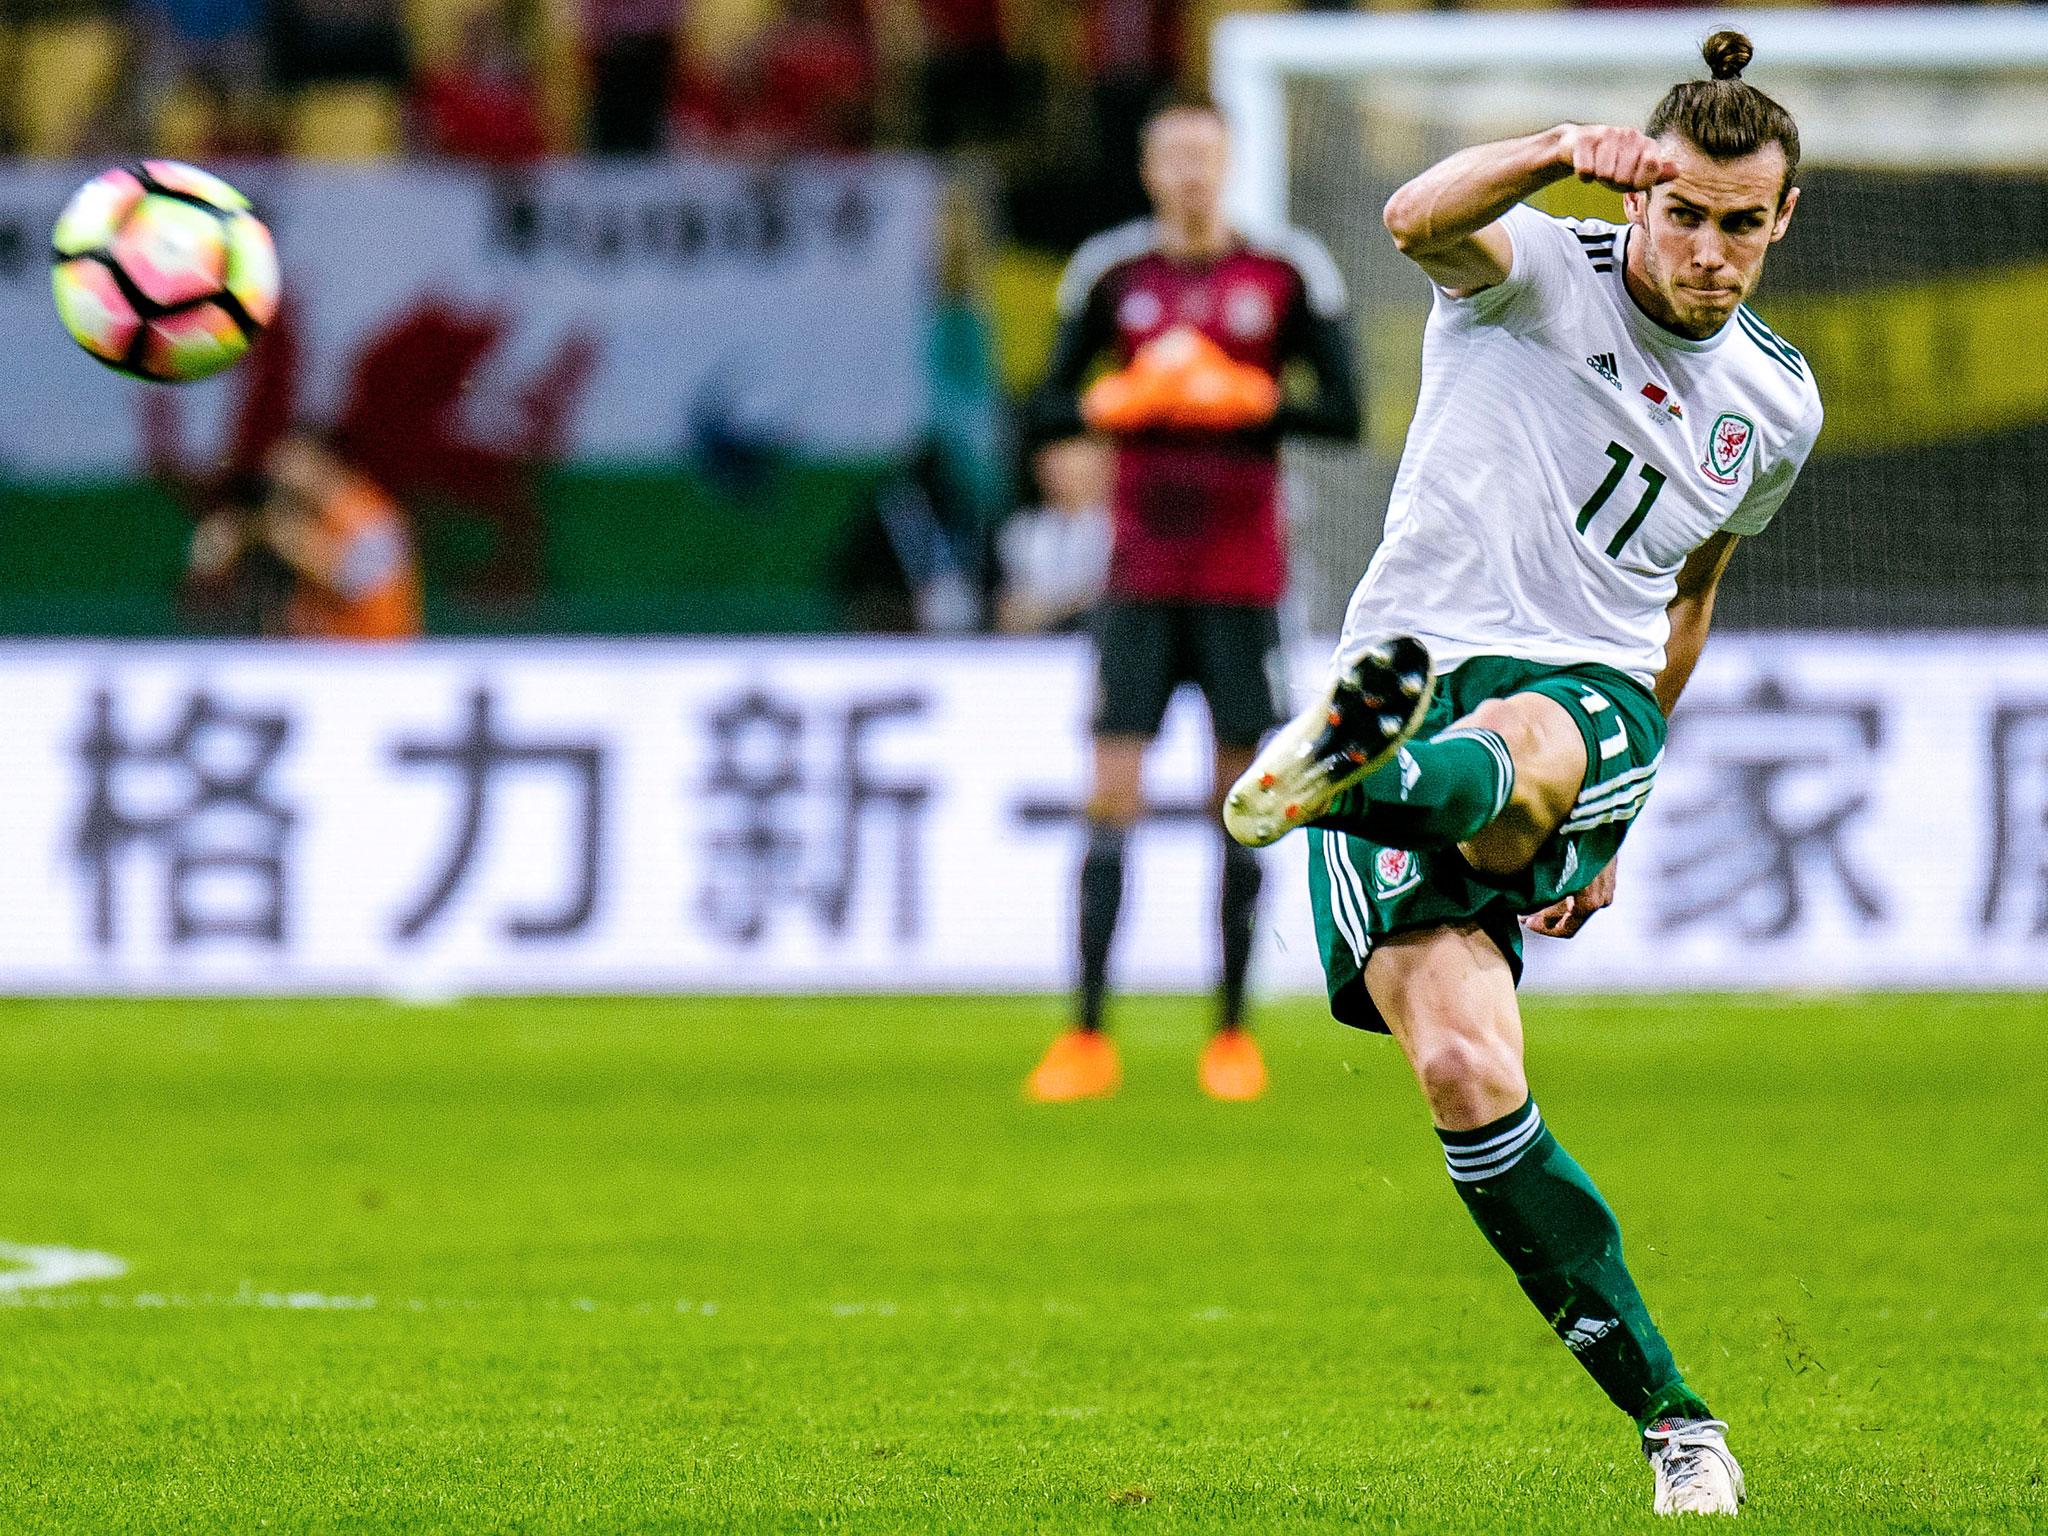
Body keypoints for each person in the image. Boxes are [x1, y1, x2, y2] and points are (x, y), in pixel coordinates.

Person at [1223, 32, 1821, 1515]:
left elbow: (1689, 598)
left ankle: (1345, 779)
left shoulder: (1778, 408)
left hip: (1589, 695)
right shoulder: (1539, 264)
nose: (1711, 252)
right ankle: (1678, 1422)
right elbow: (1411, 218)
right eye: (1686, 213)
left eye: (1744, 223)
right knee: (1463, 1070)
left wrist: (1620, 810)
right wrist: (1563, 145)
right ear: (1643, 200)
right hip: (1414, 664)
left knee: (1534, 756)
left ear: (1782, 221)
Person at [1022, 98, 1361, 1103]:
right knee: (1110, 796)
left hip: (1241, 581)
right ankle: (1085, 1034)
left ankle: (1229, 1033)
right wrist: (1117, 401)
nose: (1187, 174)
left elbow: (1342, 411)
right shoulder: (1112, 277)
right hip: (1135, 579)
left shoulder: (1285, 272)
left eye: (1203, 157)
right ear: (1145, 167)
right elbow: (1043, 401)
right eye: (1170, 156)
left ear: (1228, 164)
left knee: (1238, 804)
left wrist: (1247, 400)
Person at [187, 430, 423, 640]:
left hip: (375, 661)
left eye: (292, 463)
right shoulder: (311, 514)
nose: (279, 474)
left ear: (320, 462)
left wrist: (268, 531)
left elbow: (354, 579)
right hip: (324, 657)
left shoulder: (368, 514)